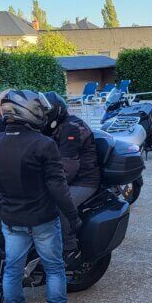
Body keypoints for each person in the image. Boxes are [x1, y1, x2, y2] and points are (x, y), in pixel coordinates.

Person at [0, 90, 80, 303]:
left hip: (12, 220)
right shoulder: (44, 144)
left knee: (12, 273)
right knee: (55, 270)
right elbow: (58, 187)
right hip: (43, 218)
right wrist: (72, 216)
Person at [42, 91, 100, 261]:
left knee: (60, 205)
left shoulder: (71, 128)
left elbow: (68, 167)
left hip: (84, 181)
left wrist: (47, 185)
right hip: (65, 177)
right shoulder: (54, 126)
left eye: (45, 113)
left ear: (56, 111)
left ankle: (70, 249)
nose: (42, 117)